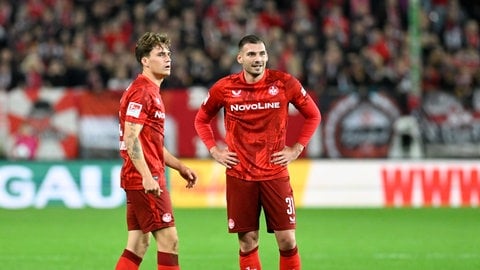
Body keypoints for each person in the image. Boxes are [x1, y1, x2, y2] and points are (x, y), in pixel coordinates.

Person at [194, 34, 321, 270]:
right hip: (240, 175)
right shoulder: (224, 88)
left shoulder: (284, 83)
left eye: (262, 53)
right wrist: (214, 150)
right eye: (252, 54)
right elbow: (201, 120)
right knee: (247, 241)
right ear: (240, 58)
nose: (258, 59)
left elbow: (314, 115)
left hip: (274, 173)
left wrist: (296, 149)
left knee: (287, 239)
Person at [115, 32, 198, 270]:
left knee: (138, 244)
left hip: (142, 176)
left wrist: (180, 166)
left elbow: (151, 144)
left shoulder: (149, 91)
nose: (168, 58)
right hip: (146, 178)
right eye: (160, 54)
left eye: (168, 54)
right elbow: (131, 137)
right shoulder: (144, 91)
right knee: (169, 241)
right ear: (144, 60)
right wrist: (145, 175)